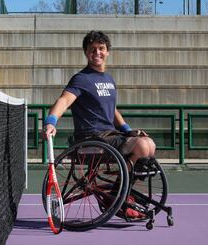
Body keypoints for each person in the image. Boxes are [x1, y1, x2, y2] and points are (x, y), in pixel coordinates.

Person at [42, 30, 156, 218]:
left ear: (107, 51)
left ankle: (118, 194)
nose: (97, 53)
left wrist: (128, 131)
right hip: (91, 139)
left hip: (110, 136)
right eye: (92, 49)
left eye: (101, 49)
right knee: (143, 146)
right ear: (86, 53)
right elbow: (63, 101)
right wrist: (50, 122)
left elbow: (112, 110)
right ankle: (117, 198)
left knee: (149, 144)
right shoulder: (81, 79)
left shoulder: (109, 80)